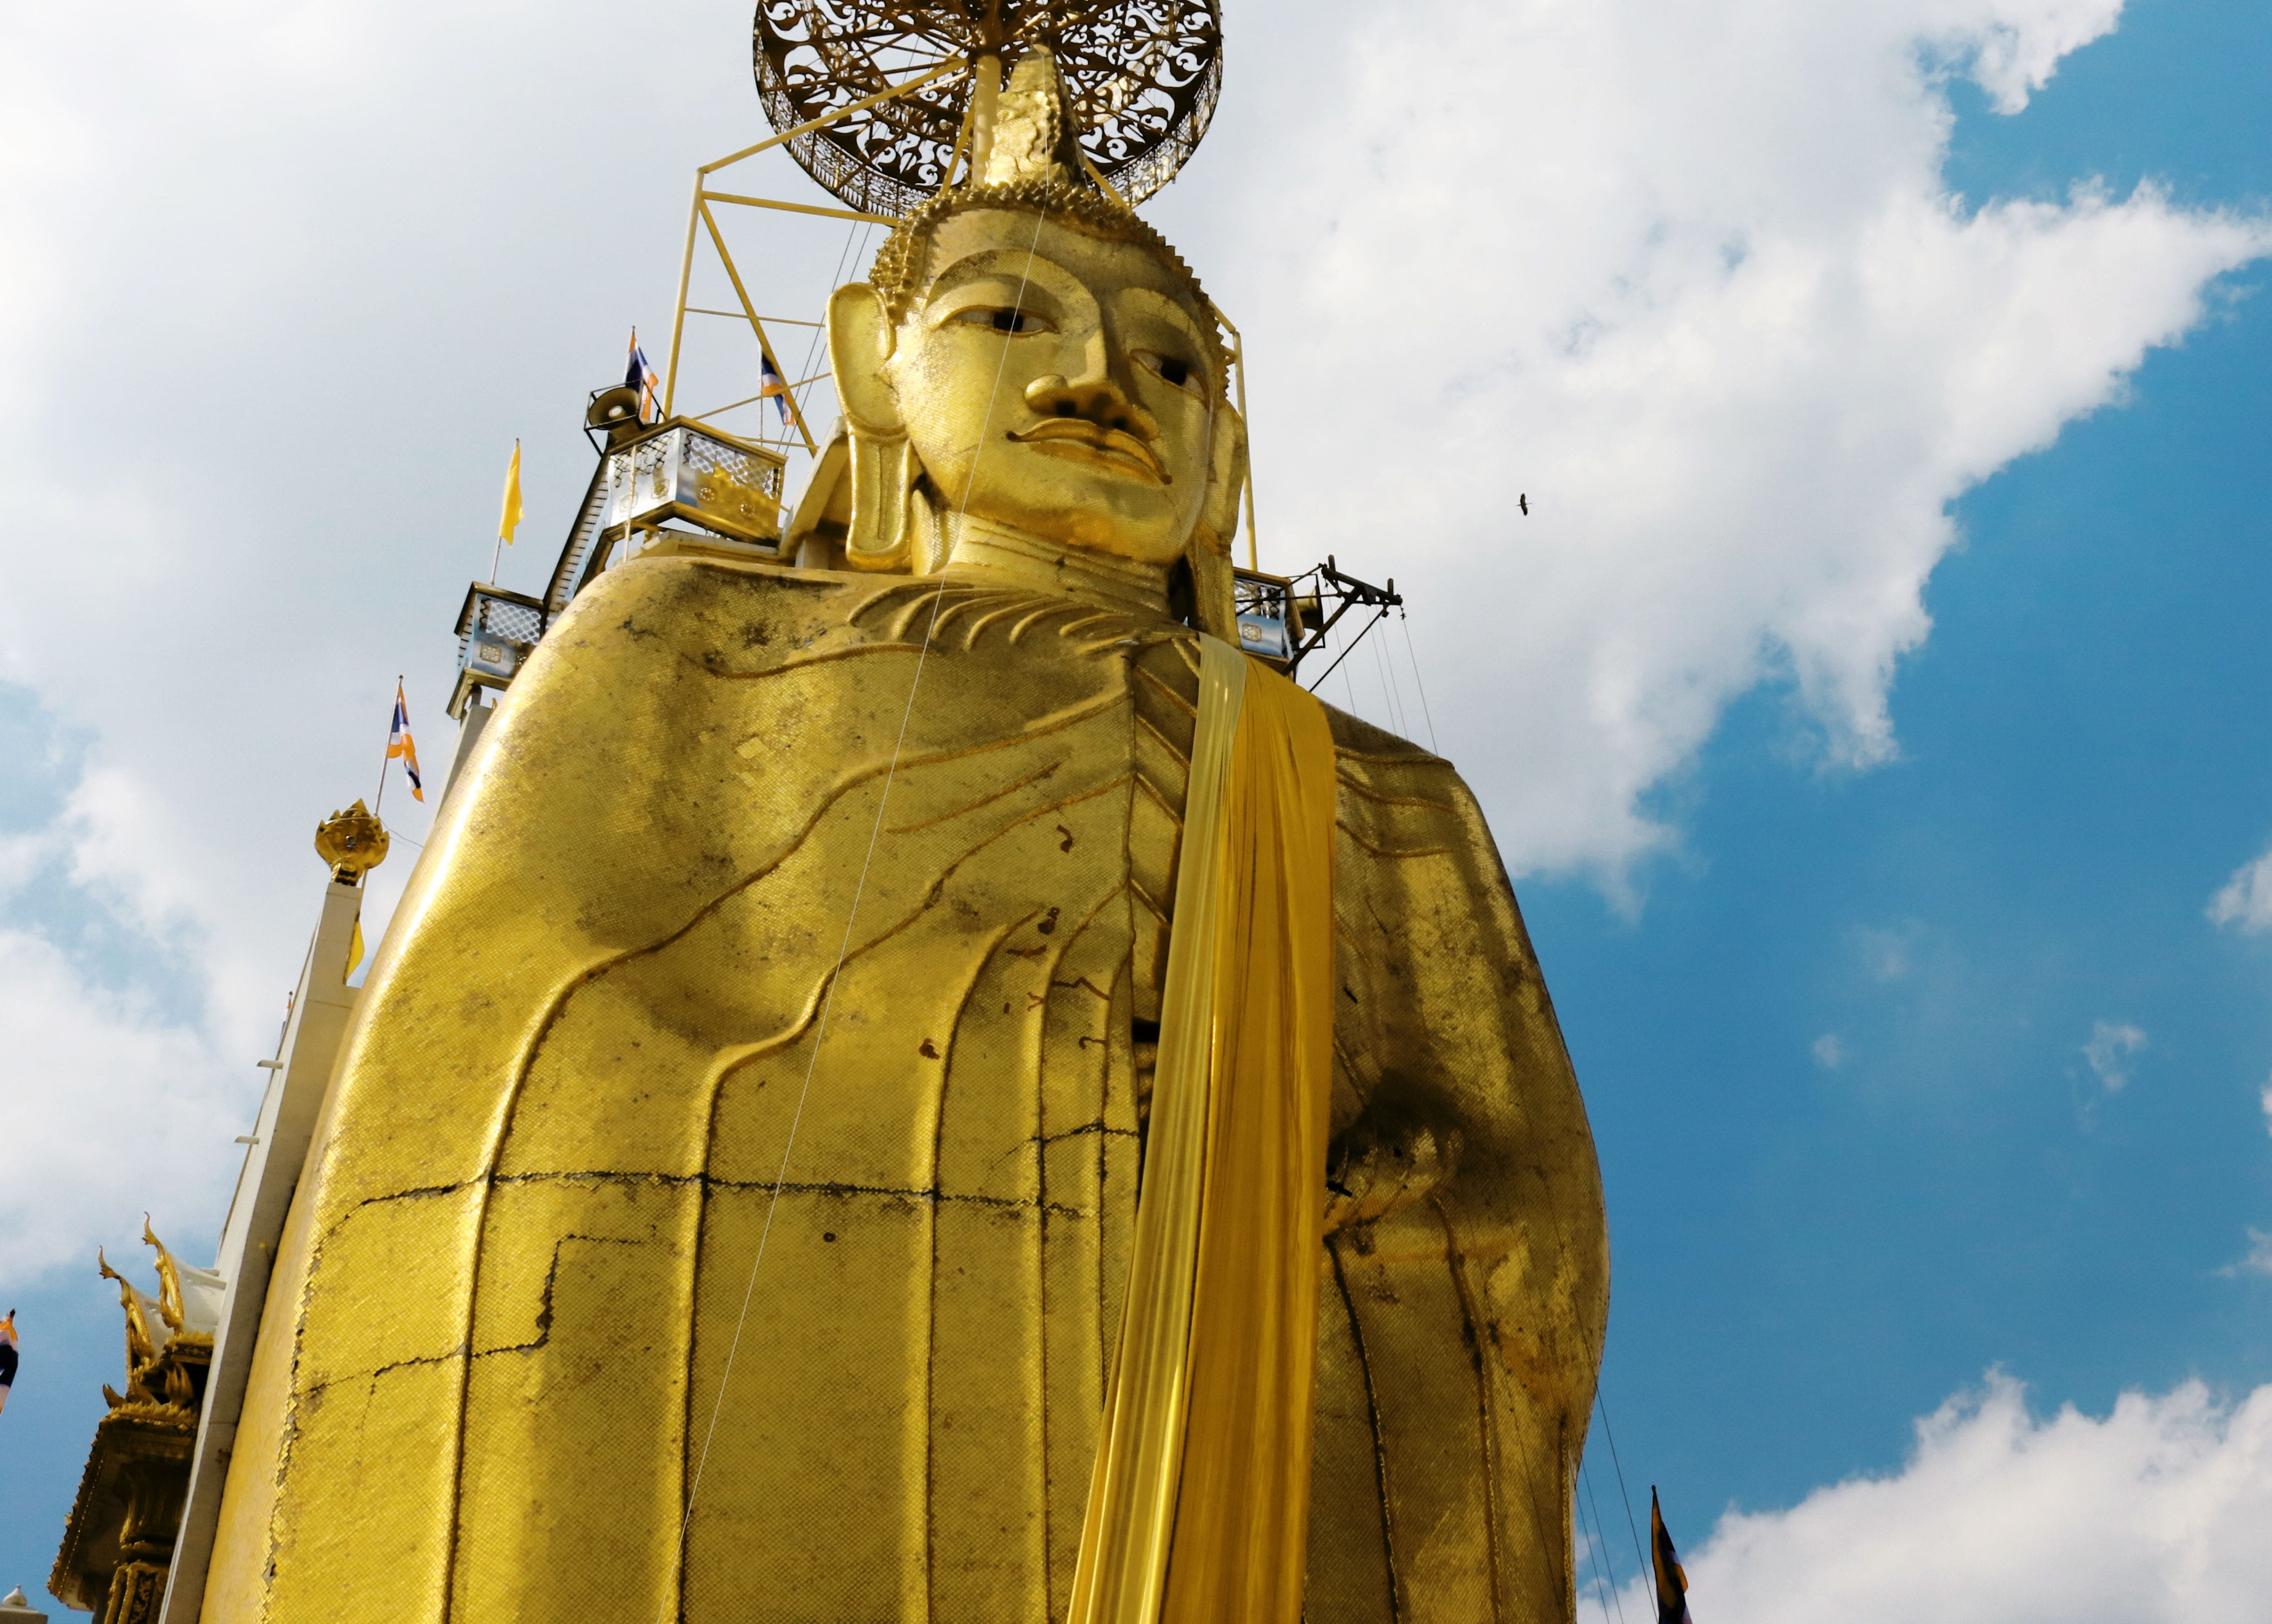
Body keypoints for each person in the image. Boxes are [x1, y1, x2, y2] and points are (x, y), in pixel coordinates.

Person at [203, 156, 1605, 1623]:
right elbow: (496, 1045)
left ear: (1227, 456)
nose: (1094, 379)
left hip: (1261, 1414)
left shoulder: (1385, 796)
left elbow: (1538, 1203)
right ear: (876, 375)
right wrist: (1040, 1056)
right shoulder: (694, 630)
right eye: (1010, 320)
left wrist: (1429, 1194)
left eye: (1172, 365)